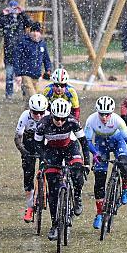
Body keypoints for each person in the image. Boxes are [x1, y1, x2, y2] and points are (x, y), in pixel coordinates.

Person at [33, 98, 89, 240]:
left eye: (62, 119)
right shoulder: (43, 124)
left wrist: (87, 163)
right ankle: (55, 224)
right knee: (53, 189)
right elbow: (38, 145)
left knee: (77, 171)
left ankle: (77, 196)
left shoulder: (72, 121)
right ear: (52, 115)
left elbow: (83, 142)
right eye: (57, 118)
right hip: (51, 150)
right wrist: (44, 159)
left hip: (70, 147)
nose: (59, 122)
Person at [84, 96, 127, 230]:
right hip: (101, 145)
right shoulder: (91, 120)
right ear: (97, 112)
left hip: (118, 141)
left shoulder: (118, 120)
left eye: (107, 114)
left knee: (125, 163)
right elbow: (87, 141)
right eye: (102, 114)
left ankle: (125, 188)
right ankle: (99, 214)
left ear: (111, 113)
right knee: (99, 180)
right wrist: (95, 153)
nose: (105, 118)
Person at [14, 93, 49, 222]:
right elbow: (17, 138)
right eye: (35, 112)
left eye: (41, 112)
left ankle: (46, 190)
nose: (39, 116)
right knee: (28, 173)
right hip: (29, 142)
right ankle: (29, 207)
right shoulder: (25, 116)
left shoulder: (49, 116)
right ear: (30, 110)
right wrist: (24, 152)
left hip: (45, 142)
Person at [0, 0, 33, 98]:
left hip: (20, 51)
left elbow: (29, 23)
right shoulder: (6, 19)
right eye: (12, 8)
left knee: (24, 75)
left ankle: (25, 93)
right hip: (9, 51)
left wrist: (22, 13)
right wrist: (3, 14)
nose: (13, 10)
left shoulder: (21, 18)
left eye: (15, 8)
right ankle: (9, 94)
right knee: (9, 75)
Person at [12, 22, 52, 98]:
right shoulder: (23, 42)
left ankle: (27, 110)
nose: (35, 34)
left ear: (40, 33)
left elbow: (46, 58)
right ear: (30, 32)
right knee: (33, 97)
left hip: (36, 75)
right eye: (33, 31)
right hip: (25, 74)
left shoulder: (42, 44)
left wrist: (48, 70)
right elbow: (16, 58)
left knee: (32, 101)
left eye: (37, 31)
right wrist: (17, 74)